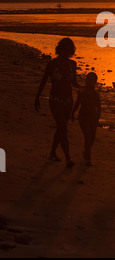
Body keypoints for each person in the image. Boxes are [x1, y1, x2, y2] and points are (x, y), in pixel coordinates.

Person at [35, 37, 80, 168]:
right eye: (64, 48)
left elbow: (74, 83)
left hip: (68, 101)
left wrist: (85, 87)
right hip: (55, 100)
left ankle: (52, 152)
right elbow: (44, 81)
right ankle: (68, 158)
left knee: (61, 128)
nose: (67, 51)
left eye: (69, 48)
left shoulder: (73, 64)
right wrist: (37, 97)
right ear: (60, 49)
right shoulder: (52, 64)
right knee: (63, 127)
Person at [71, 72, 101, 166]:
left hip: (93, 118)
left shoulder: (96, 94)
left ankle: (86, 152)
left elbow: (99, 108)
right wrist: (72, 113)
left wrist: (97, 119)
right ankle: (88, 158)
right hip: (83, 116)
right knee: (87, 136)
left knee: (91, 138)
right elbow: (77, 103)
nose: (89, 81)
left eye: (92, 80)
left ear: (95, 82)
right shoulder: (82, 91)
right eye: (88, 79)